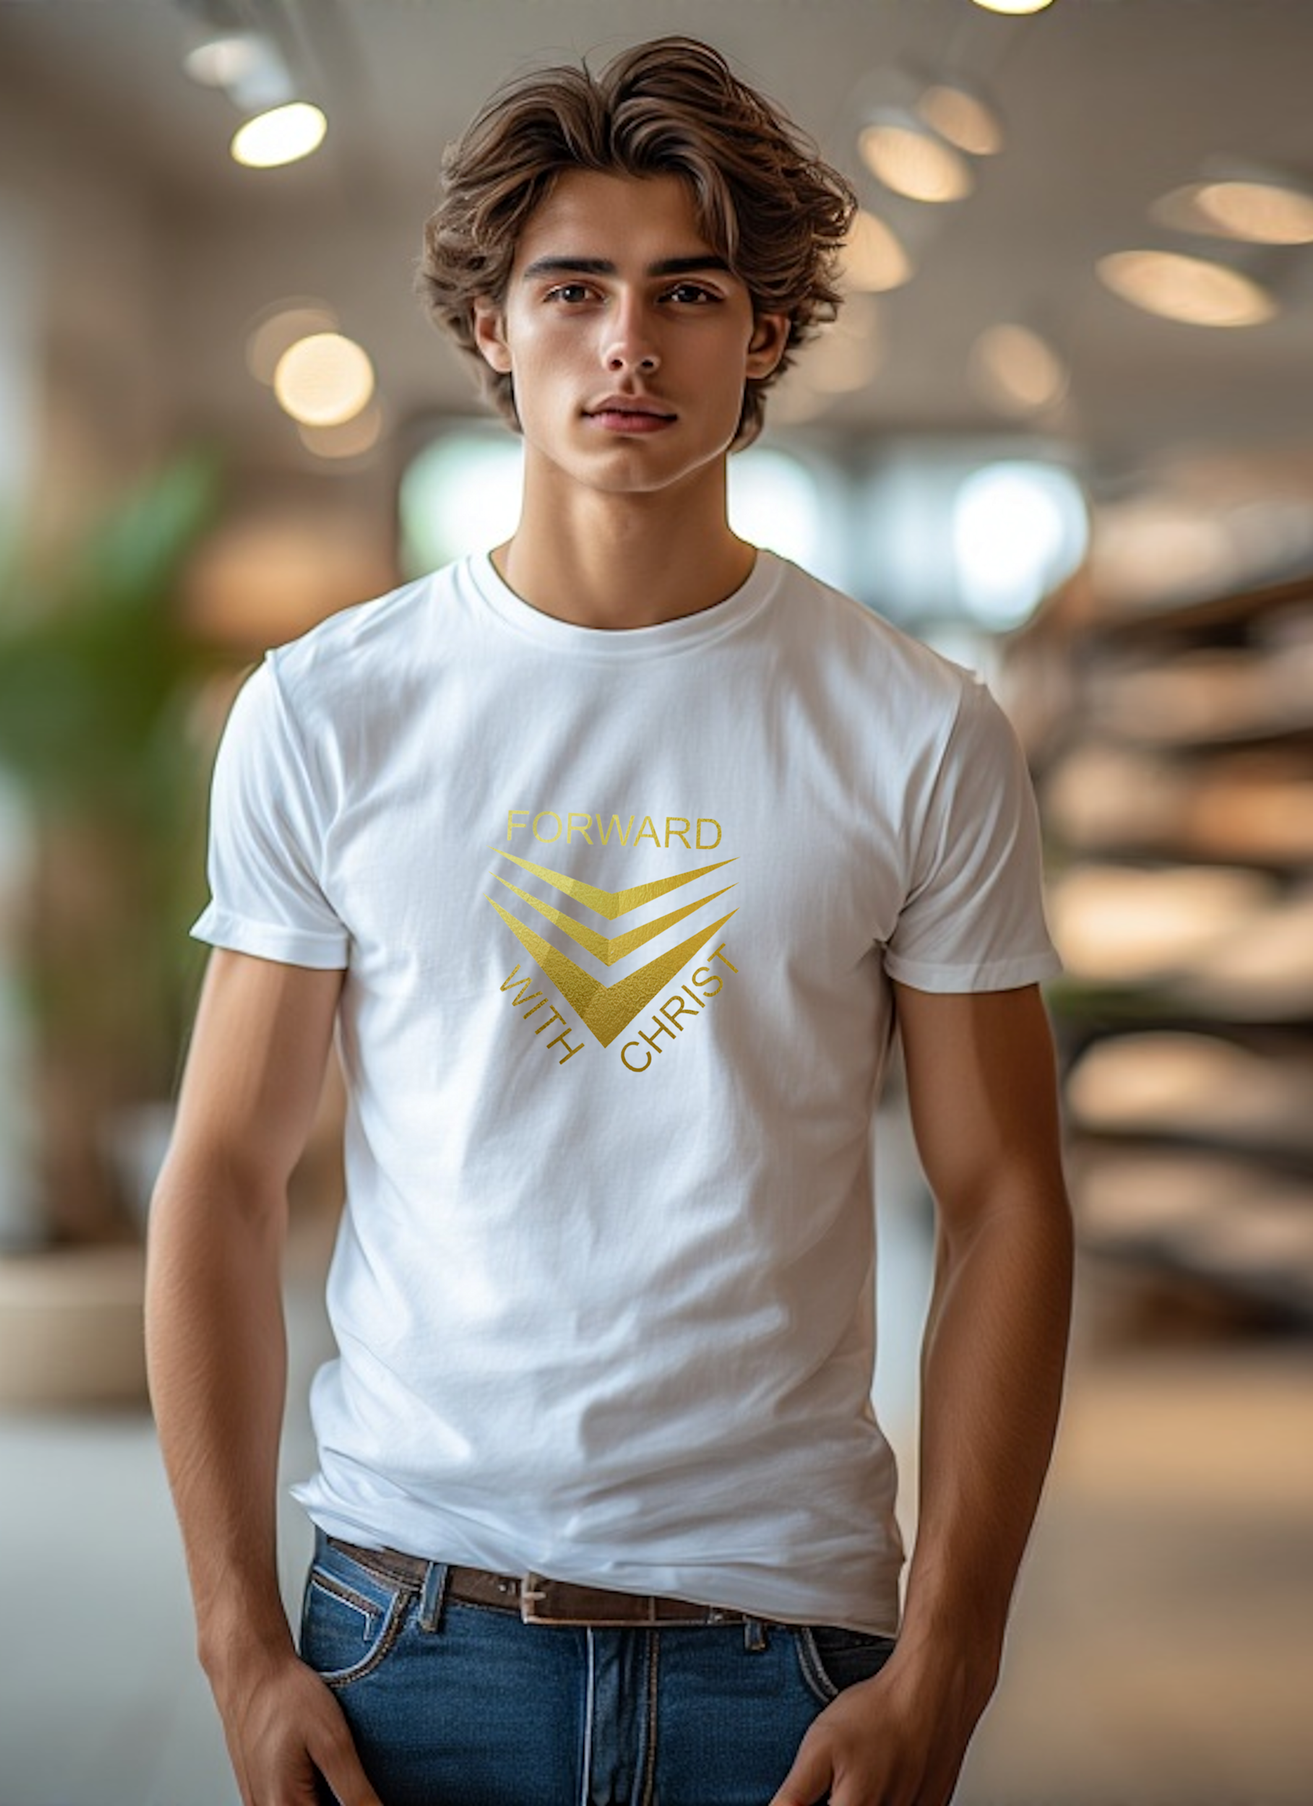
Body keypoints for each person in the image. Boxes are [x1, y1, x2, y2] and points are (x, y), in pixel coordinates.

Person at [146, 34, 1074, 1806]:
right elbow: (224, 1171)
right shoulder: (331, 711)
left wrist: (950, 1656)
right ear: (491, 327)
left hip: (788, 1648)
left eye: (689, 292)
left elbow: (1007, 1194)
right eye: (571, 289)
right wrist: (235, 1634)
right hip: (402, 1629)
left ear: (769, 333)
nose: (629, 344)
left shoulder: (917, 728)